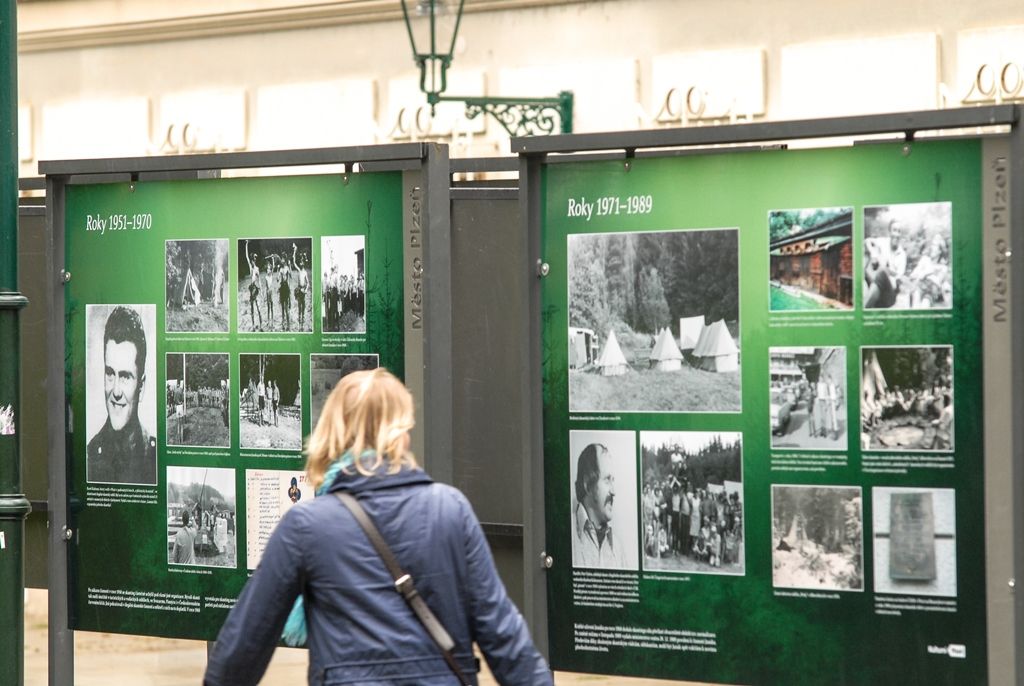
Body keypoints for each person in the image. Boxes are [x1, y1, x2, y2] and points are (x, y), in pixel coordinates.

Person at [204, 369, 551, 685]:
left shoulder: (307, 526)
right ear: (401, 433)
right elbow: (505, 638)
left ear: (333, 429)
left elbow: (243, 646)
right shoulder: (451, 510)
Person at [87, 306, 157, 485]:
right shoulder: (89, 456)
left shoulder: (155, 457)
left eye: (125, 377)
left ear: (141, 386)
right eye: (110, 374)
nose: (116, 391)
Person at [572, 443, 628, 569]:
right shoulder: (566, 535)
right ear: (587, 485)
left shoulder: (617, 548)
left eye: (613, 480)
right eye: (607, 480)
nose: (614, 491)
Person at [245, 241, 263, 331]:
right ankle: (253, 325)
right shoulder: (251, 267)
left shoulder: (257, 269)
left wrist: (261, 290)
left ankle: (261, 325)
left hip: (256, 289)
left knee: (258, 308)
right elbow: (246, 256)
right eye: (253, 258)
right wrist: (246, 245)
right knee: (252, 308)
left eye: (255, 258)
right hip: (251, 288)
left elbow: (259, 280)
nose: (253, 260)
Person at [292, 243, 308, 329]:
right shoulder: (299, 270)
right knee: (299, 305)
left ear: (304, 264)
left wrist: (306, 289)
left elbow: (308, 283)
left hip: (303, 291)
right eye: (300, 262)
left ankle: (303, 317)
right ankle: (299, 317)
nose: (301, 263)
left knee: (303, 305)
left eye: (302, 262)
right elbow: (294, 262)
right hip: (299, 290)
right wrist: (295, 251)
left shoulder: (305, 272)